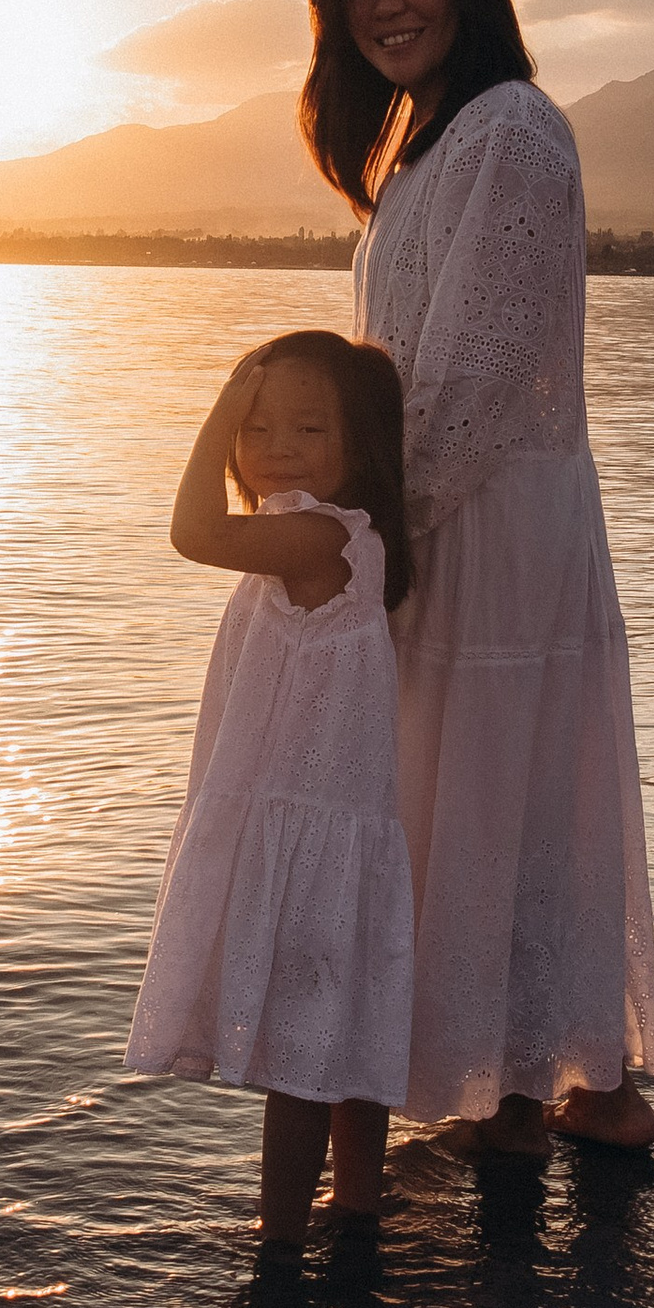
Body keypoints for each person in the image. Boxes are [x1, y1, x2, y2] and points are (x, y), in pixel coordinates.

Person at [300, 0, 654, 1159]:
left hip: (491, 523)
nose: (386, 4)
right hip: (453, 513)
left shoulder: (511, 129)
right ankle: (536, 1087)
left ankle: (546, 1097)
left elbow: (471, 372)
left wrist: (368, 543)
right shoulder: (423, 146)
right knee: (487, 791)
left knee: (510, 790)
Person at [125, 330, 416, 1247]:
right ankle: (356, 1203)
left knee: (300, 1051)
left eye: (308, 428)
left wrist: (217, 415)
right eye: (257, 429)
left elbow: (193, 533)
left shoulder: (319, 537)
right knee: (343, 1027)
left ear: (359, 445)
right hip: (334, 825)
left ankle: (280, 1244)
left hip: (311, 825)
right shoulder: (337, 537)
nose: (277, 448)